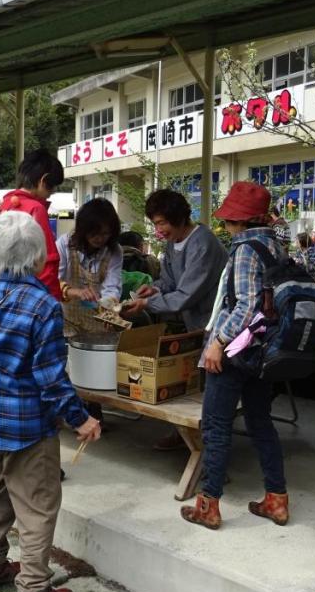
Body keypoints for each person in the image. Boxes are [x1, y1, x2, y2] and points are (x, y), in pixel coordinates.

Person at [0, 211, 101, 592]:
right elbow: (52, 379)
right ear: (39, 258)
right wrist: (82, 419)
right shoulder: (44, 306)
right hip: (30, 429)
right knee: (36, 508)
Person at [181, 181, 289, 530]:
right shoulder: (278, 247)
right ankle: (276, 499)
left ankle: (208, 505)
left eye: (228, 221)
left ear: (239, 221)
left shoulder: (245, 250)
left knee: (215, 426)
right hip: (264, 349)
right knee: (261, 423)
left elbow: (245, 304)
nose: (226, 227)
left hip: (236, 351)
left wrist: (218, 342)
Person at [121, 189, 227, 334]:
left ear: (179, 217)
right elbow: (169, 282)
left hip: (216, 324)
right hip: (194, 324)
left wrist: (147, 303)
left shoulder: (203, 244)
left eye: (162, 223)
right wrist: (154, 289)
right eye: (155, 224)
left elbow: (186, 295)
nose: (159, 230)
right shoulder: (173, 241)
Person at [0, 149, 65, 301]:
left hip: (4, 293)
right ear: (43, 180)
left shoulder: (4, 205)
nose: (51, 193)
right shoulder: (35, 208)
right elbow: (48, 262)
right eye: (52, 187)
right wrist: (53, 300)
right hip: (32, 297)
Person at [56, 198, 123, 334]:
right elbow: (53, 281)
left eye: (105, 234)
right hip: (67, 319)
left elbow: (111, 287)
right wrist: (75, 292)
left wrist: (110, 306)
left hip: (97, 323)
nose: (100, 238)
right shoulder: (64, 244)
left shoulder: (114, 251)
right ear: (84, 230)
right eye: (94, 233)